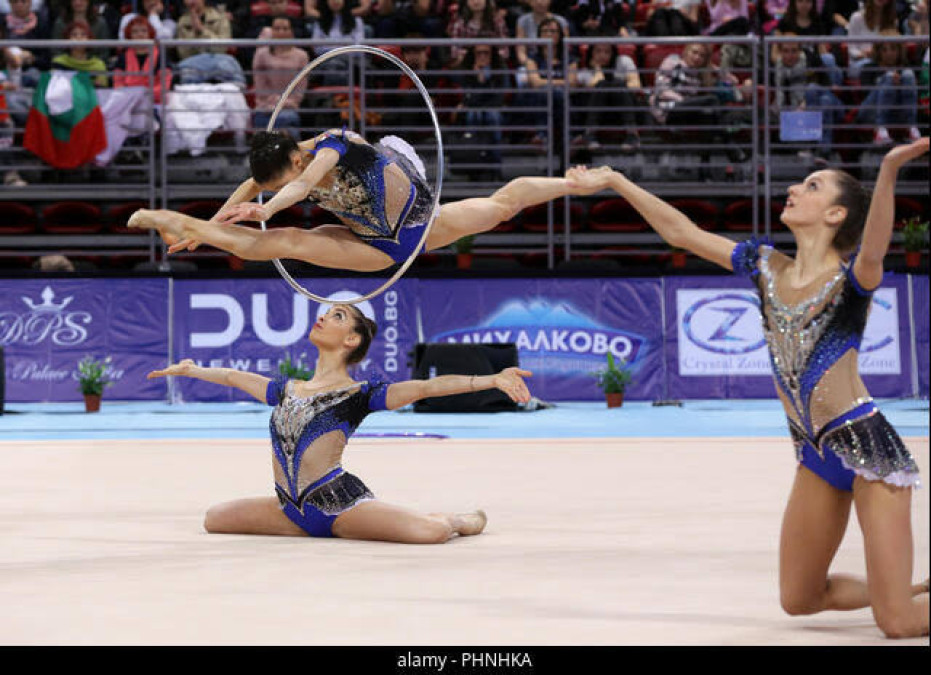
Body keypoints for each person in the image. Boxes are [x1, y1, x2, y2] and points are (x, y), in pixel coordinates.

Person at [570, 138, 931, 639]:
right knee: (799, 598)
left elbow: (875, 243)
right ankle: (906, 590)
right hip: (814, 453)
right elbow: (682, 232)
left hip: (869, 450)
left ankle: (901, 601)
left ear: (834, 214)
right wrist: (614, 180)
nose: (793, 188)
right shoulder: (765, 267)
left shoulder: (853, 281)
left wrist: (890, 168)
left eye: (811, 186)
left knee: (898, 626)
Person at [145, 303, 533, 542]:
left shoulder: (360, 394)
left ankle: (456, 520)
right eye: (327, 313)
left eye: (337, 316)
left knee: (429, 532)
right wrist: (192, 369)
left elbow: (424, 388)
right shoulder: (285, 389)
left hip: (338, 506)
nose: (323, 318)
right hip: (289, 509)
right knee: (214, 519)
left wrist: (492, 379)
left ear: (351, 340)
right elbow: (232, 376)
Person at [127, 128, 617, 271]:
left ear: (295, 160)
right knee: (288, 242)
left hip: (418, 219)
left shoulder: (328, 148)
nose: (273, 188)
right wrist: (207, 225)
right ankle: (179, 224)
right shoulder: (282, 165)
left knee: (502, 205)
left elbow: (297, 187)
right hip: (372, 243)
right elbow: (252, 188)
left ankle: (576, 182)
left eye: (278, 182)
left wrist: (268, 207)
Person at [855, 31, 922, 144]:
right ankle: (880, 129)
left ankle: (912, 128)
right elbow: (866, 93)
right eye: (884, 50)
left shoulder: (906, 68)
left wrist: (899, 86)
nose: (889, 53)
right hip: (872, 111)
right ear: (878, 52)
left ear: (899, 51)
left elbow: (915, 95)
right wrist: (887, 81)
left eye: (893, 49)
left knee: (908, 74)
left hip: (898, 113)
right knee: (889, 77)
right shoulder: (869, 68)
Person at [251, 15, 309, 139]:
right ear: (271, 31)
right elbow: (261, 87)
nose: (281, 32)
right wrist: (277, 103)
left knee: (287, 121)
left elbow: (300, 88)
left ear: (291, 31)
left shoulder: (301, 55)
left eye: (285, 28)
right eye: (277, 28)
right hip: (265, 107)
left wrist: (286, 103)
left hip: (290, 106)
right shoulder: (261, 54)